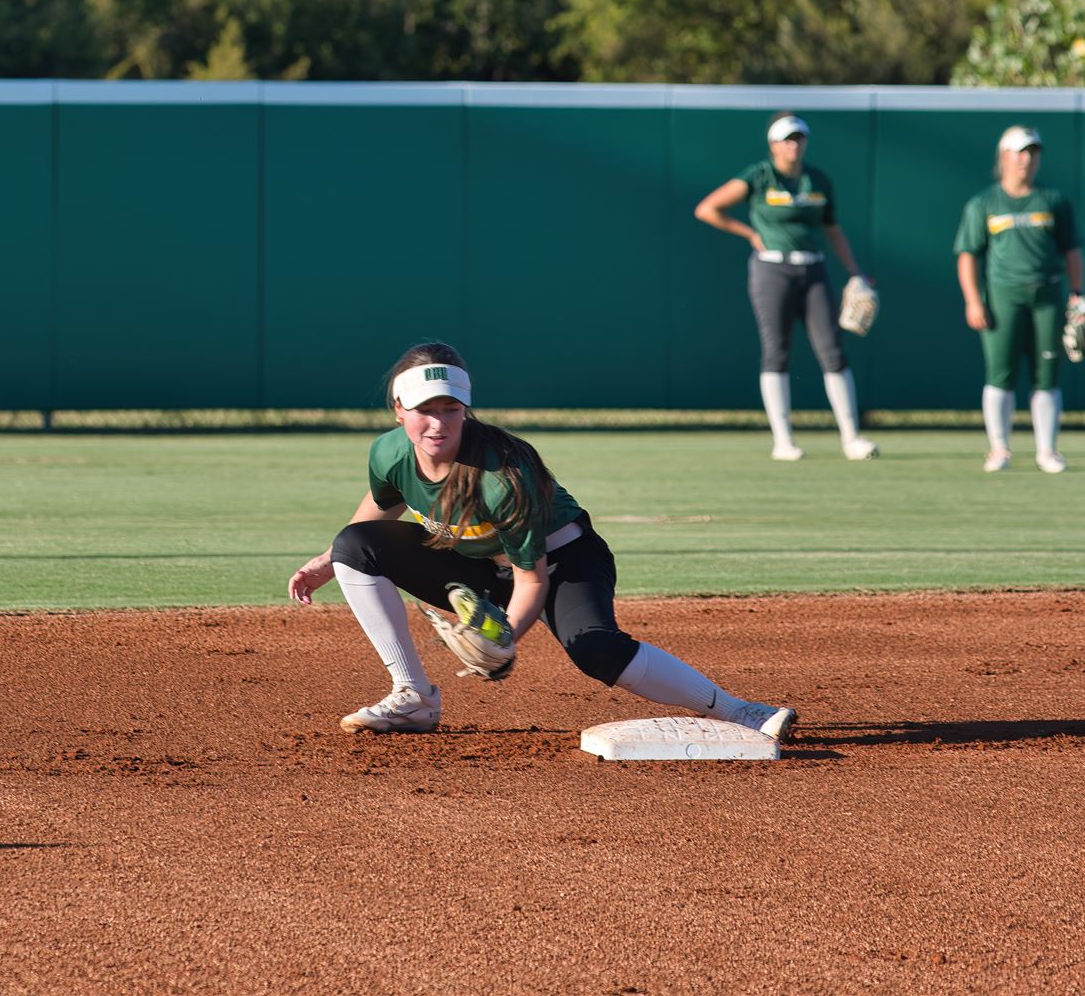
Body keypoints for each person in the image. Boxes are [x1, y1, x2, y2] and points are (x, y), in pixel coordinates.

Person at [286, 341, 797, 738]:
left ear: (467, 408)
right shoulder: (389, 452)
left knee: (596, 651)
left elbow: (531, 578)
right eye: (424, 408)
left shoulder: (501, 475)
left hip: (561, 563)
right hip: (475, 562)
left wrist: (502, 640)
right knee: (354, 545)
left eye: (450, 408)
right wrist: (328, 560)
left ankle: (741, 711)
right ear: (398, 408)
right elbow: (381, 506)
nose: (437, 422)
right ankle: (413, 696)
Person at [694, 112, 877, 461]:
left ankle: (851, 438)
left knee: (833, 350)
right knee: (776, 351)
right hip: (772, 269)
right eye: (787, 139)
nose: (794, 145)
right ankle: (783, 440)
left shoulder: (817, 179)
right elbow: (707, 209)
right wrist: (750, 234)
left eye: (799, 138)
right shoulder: (760, 176)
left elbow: (832, 228)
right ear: (773, 144)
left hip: (813, 268)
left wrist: (855, 271)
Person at [953, 125, 1085, 473]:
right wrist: (973, 301)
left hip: (1047, 294)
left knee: (1047, 374)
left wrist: (1077, 295)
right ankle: (999, 449)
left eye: (1033, 152)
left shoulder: (1053, 201)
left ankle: (1047, 450)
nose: (1027, 158)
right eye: (1020, 151)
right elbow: (968, 255)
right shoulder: (984, 203)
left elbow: (1072, 250)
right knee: (1000, 374)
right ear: (1004, 157)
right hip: (1002, 296)